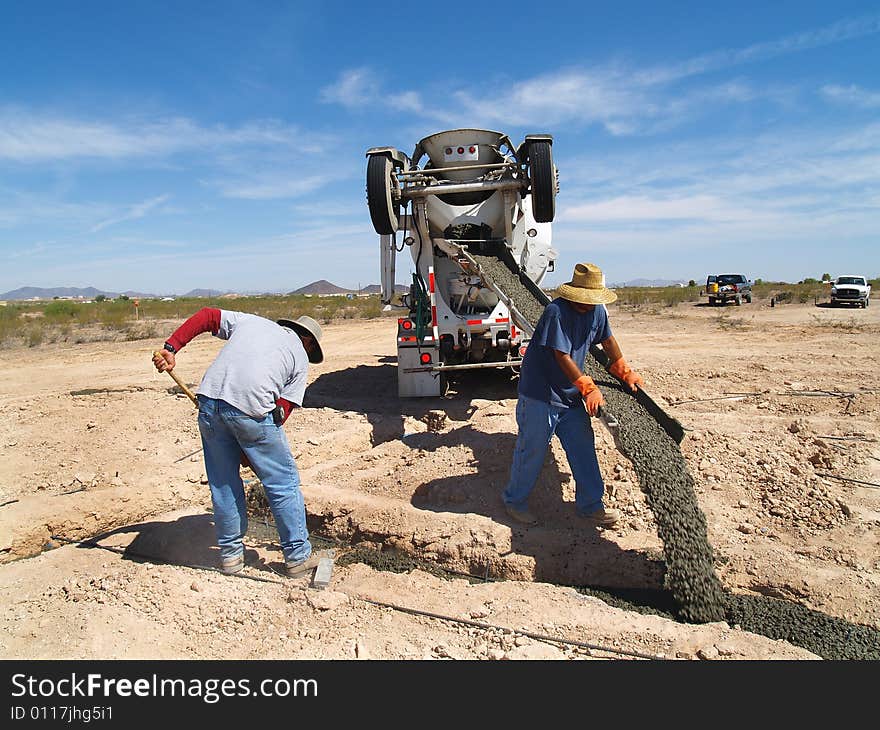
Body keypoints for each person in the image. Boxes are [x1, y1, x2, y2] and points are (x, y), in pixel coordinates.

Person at [152, 308, 324, 577]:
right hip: (250, 409)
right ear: (309, 342)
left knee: (224, 483)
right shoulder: (300, 356)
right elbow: (281, 411)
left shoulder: (251, 321)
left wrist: (171, 347)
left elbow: (208, 315)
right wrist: (253, 450)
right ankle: (297, 556)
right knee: (283, 481)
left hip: (209, 403)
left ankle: (231, 557)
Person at [502, 262, 644, 528]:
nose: (589, 305)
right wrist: (588, 387)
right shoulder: (557, 312)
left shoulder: (597, 312)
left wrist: (623, 369)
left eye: (593, 301)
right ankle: (514, 501)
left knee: (583, 448)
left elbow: (608, 340)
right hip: (540, 394)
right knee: (531, 450)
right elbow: (561, 355)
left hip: (568, 396)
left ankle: (591, 506)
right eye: (586, 300)